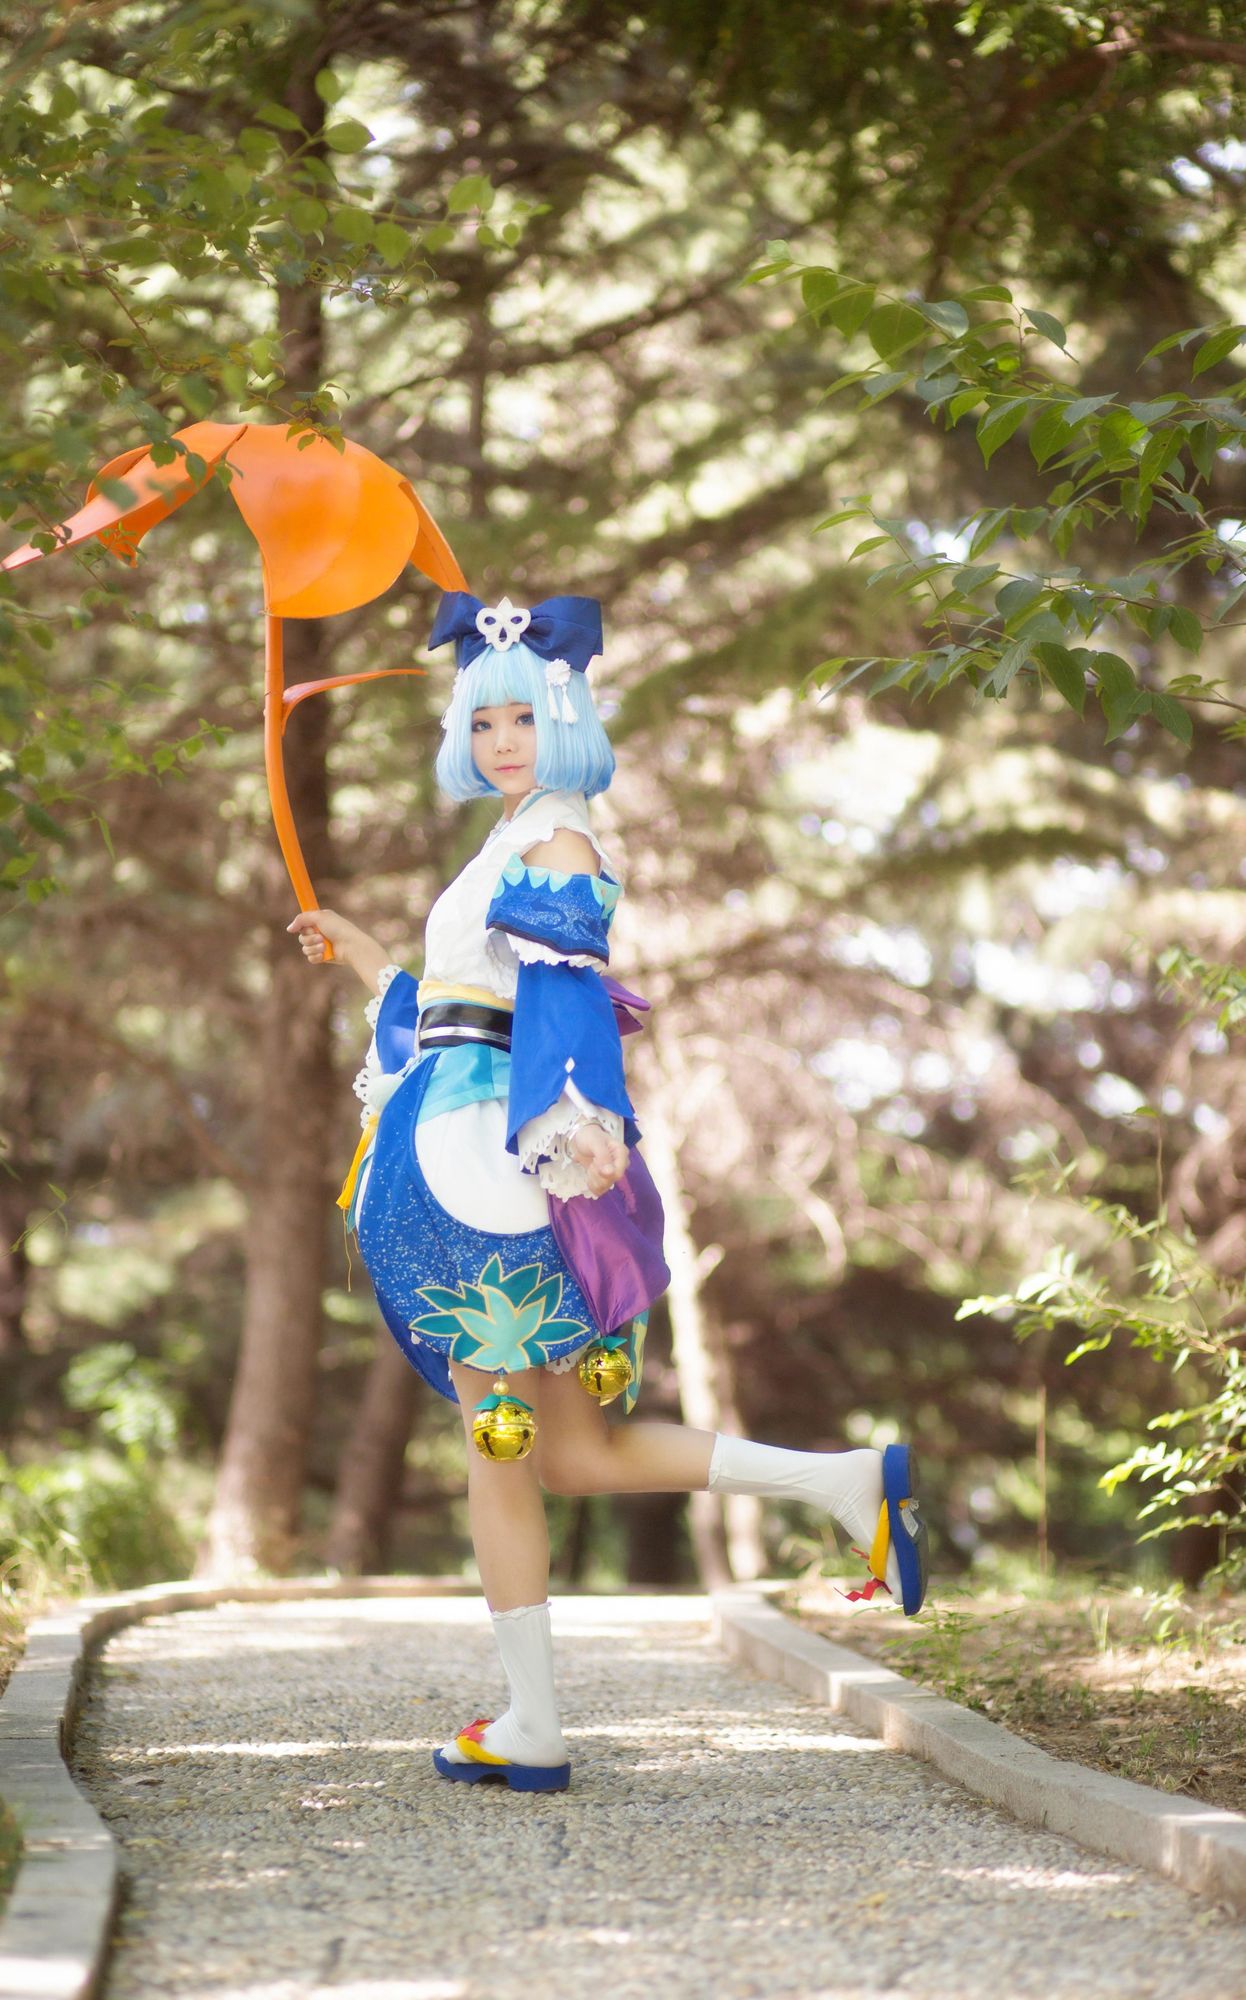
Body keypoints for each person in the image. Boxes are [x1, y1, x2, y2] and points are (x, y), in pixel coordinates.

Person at [288, 589, 929, 1796]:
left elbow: (563, 1001)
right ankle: (840, 1480)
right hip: (479, 1144)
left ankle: (532, 1722)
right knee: (574, 1454)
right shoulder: (515, 833)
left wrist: (573, 1126)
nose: (502, 741)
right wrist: (369, 958)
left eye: (523, 717)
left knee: (498, 1446)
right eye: (483, 721)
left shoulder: (557, 838)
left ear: (566, 716)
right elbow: (462, 999)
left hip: (494, 1168)